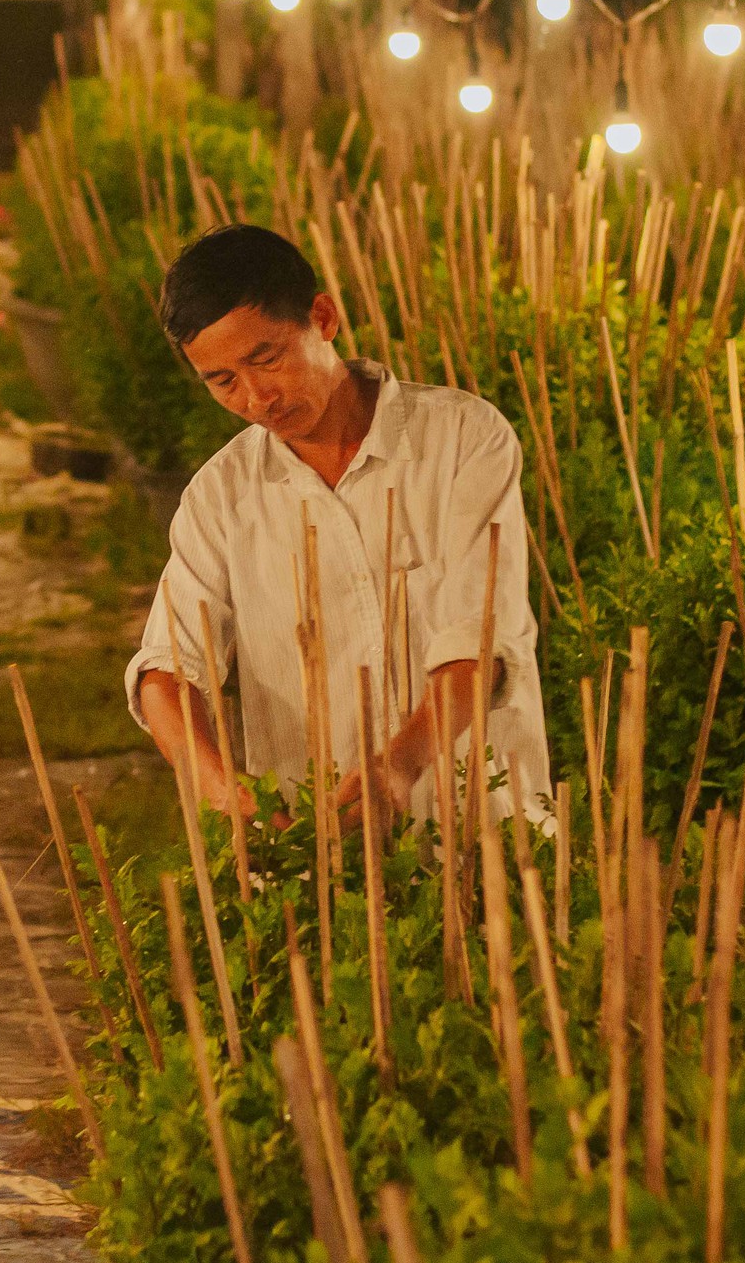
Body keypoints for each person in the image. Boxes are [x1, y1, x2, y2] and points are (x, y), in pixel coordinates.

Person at [124, 223, 549, 822]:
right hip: (319, 849)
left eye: (266, 358)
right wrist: (221, 788)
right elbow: (167, 670)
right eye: (222, 381)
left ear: (322, 318)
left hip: (482, 828)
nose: (255, 398)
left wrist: (401, 764)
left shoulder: (463, 441)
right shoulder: (220, 497)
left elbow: (481, 635)